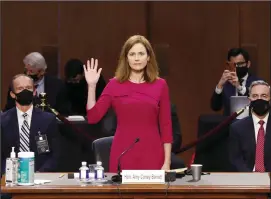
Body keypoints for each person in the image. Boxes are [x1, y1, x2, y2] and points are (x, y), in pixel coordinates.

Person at [85, 35, 173, 172]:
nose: (137, 58)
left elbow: (166, 125)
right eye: (132, 54)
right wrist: (91, 86)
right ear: (126, 58)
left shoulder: (160, 85)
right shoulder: (114, 85)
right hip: (123, 152)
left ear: (148, 57)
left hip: (152, 153)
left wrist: (167, 162)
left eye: (141, 54)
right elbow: (93, 117)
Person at [1, 74, 61, 174]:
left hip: (40, 176)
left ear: (34, 92)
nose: (25, 91)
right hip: (10, 176)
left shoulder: (48, 119)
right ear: (12, 94)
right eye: (20, 88)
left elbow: (55, 154)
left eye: (28, 88)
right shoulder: (2, 121)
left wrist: (41, 172)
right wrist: (8, 172)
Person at [101, 103, 185, 169]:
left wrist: (156, 149)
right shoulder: (124, 106)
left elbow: (176, 139)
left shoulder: (167, 108)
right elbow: (113, 134)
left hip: (158, 152)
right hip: (129, 152)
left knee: (177, 163)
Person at [4, 52, 71, 115]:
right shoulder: (16, 84)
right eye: (26, 70)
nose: (27, 74)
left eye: (31, 71)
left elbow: (64, 111)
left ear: (42, 72)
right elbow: (9, 109)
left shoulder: (58, 85)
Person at [229, 80, 271, 172]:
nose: (259, 99)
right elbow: (236, 159)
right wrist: (250, 177)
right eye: (255, 96)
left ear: (270, 99)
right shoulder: (237, 128)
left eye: (264, 96)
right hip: (246, 179)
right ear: (249, 100)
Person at [211, 48, 260, 115]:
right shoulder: (226, 83)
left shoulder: (258, 83)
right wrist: (219, 85)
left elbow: (258, 106)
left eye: (240, 64)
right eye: (233, 64)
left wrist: (239, 87)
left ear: (248, 64)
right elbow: (215, 107)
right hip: (229, 124)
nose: (236, 67)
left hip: (250, 123)